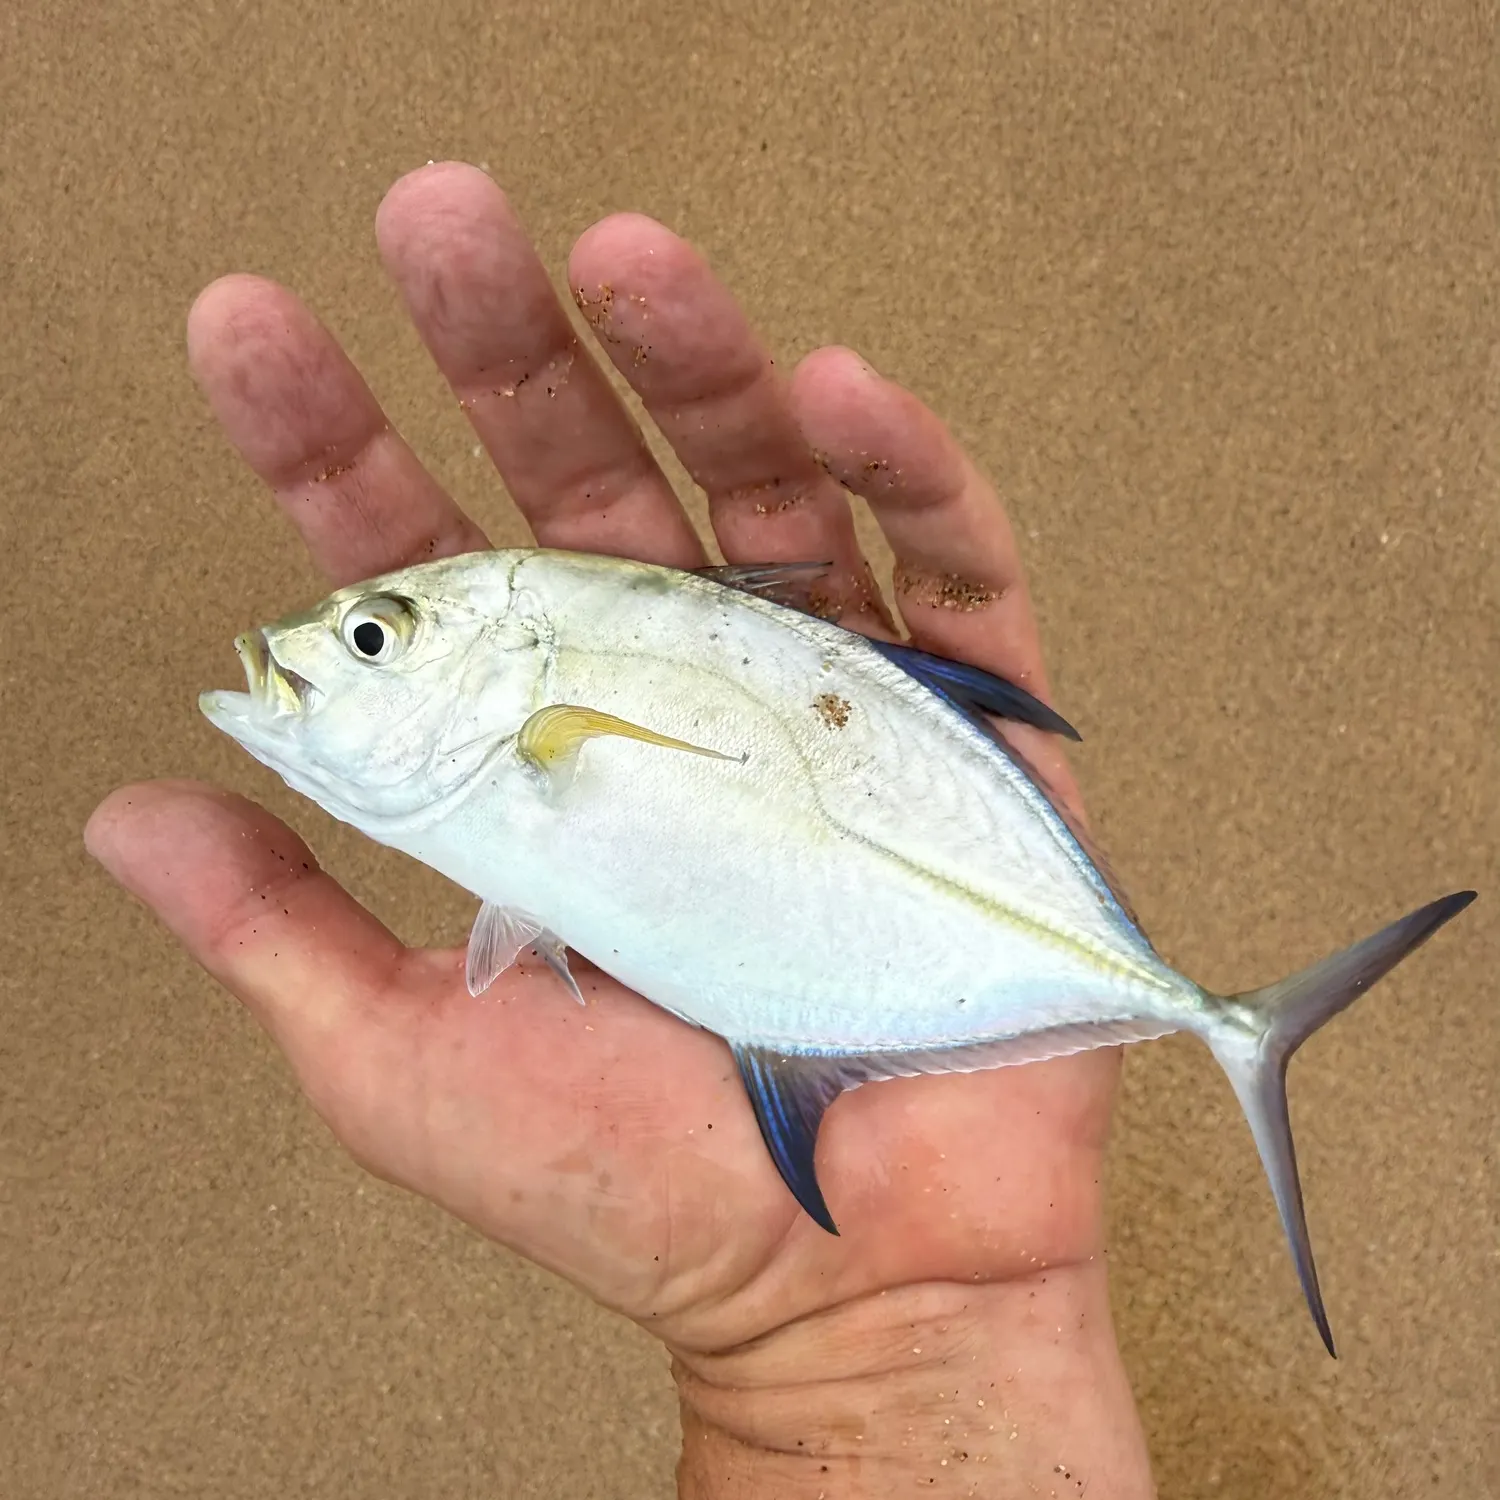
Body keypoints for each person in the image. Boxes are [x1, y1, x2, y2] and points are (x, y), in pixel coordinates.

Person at [85, 162, 1158, 1498]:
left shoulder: (531, 703)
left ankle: (1189, 1010)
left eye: (372, 639)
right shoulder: (502, 741)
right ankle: (1186, 1008)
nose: (326, 652)